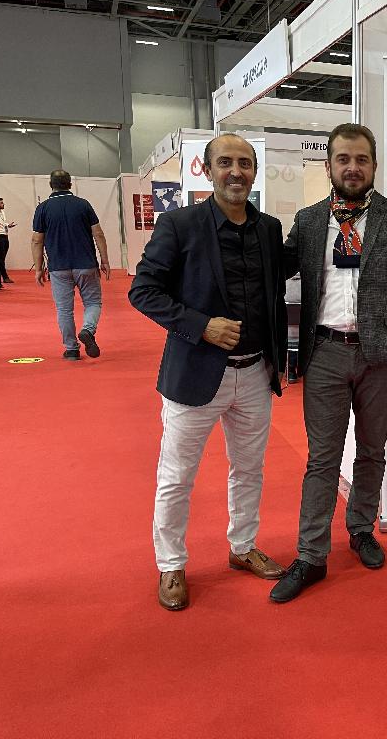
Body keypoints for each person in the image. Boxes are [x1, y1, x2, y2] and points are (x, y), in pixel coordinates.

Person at [269, 123, 387, 604]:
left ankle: (362, 528)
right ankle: (310, 555)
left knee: (371, 451)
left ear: (374, 165)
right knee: (321, 459)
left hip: (380, 355)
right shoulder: (308, 222)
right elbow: (273, 270)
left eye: (361, 159)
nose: (352, 167)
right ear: (328, 165)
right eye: (343, 159)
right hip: (324, 352)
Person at [129, 134, 288, 611]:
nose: (235, 172)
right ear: (208, 169)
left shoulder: (269, 229)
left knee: (250, 469)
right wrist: (201, 326)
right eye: (225, 163)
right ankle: (171, 564)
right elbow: (143, 291)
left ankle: (243, 547)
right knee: (177, 476)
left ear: (254, 170)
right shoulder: (180, 225)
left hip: (255, 373)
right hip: (195, 375)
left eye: (244, 163)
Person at [31, 171, 111, 360]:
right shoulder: (83, 204)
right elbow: (98, 234)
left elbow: (37, 240)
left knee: (64, 310)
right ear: (70, 184)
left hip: (58, 266)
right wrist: (105, 260)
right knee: (93, 302)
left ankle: (72, 349)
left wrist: (38, 268)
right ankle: (88, 330)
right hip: (86, 264)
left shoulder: (43, 208)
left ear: (51, 185)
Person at [0, 196, 15, 284]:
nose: (3, 204)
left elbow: (2, 223)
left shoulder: (2, 212)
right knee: (0, 258)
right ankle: (4, 277)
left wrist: (8, 225)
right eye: (1, 203)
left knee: (2, 258)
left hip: (5, 236)